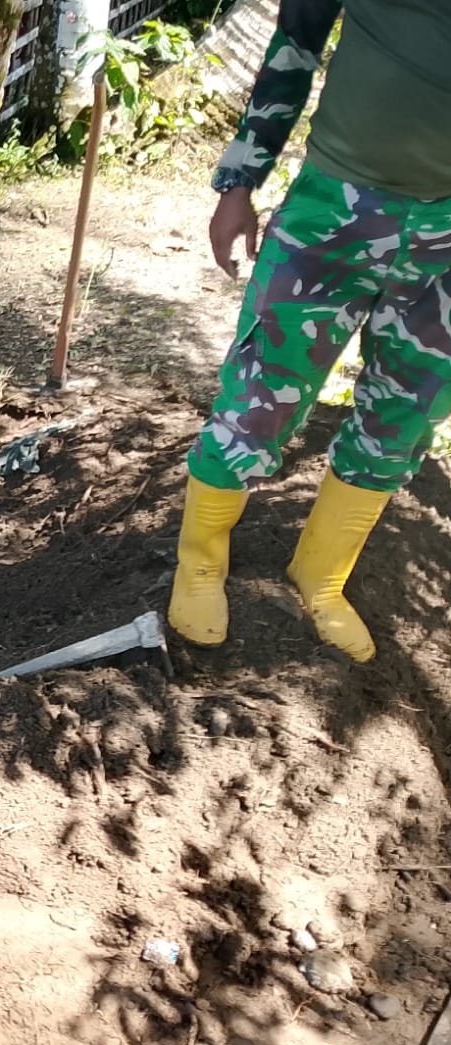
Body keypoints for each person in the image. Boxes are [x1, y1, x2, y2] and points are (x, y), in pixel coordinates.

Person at [168, 0, 451, 662]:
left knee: (405, 415)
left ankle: (322, 579)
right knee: (262, 391)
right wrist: (239, 182)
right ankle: (200, 565)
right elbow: (294, 42)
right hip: (335, 210)